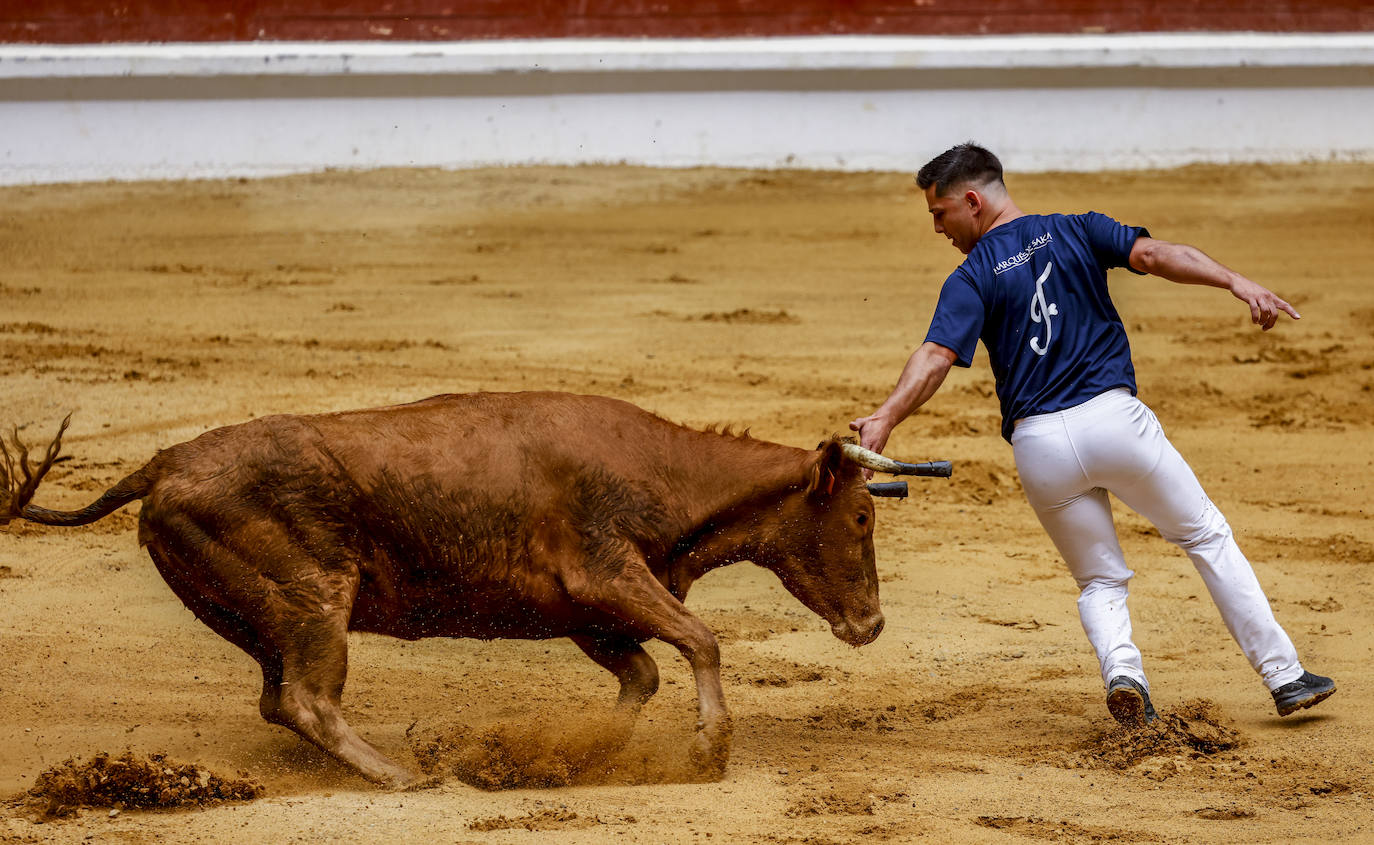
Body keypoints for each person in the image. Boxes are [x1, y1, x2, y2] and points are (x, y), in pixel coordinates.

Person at [850, 142, 1335, 727]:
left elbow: (935, 356)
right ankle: (1284, 676)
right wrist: (1236, 282)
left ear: (973, 201)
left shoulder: (971, 276)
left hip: (1040, 446)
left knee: (1099, 578)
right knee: (1205, 537)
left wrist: (885, 417)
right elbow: (1156, 255)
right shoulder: (1079, 228)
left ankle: (1124, 673)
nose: (937, 228)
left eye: (940, 213)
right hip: (1115, 424)